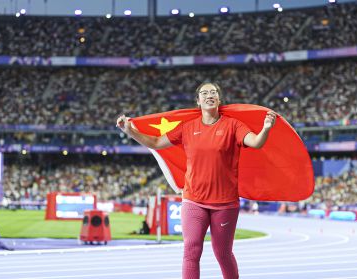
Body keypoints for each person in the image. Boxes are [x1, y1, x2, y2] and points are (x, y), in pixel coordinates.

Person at [117, 82, 276, 279]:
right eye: (204, 93)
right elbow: (157, 142)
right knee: (191, 252)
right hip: (194, 200)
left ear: (219, 99)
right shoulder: (187, 127)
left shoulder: (233, 125)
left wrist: (266, 128)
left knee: (223, 254)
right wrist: (130, 131)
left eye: (213, 92)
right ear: (198, 101)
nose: (209, 95)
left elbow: (256, 142)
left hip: (225, 204)